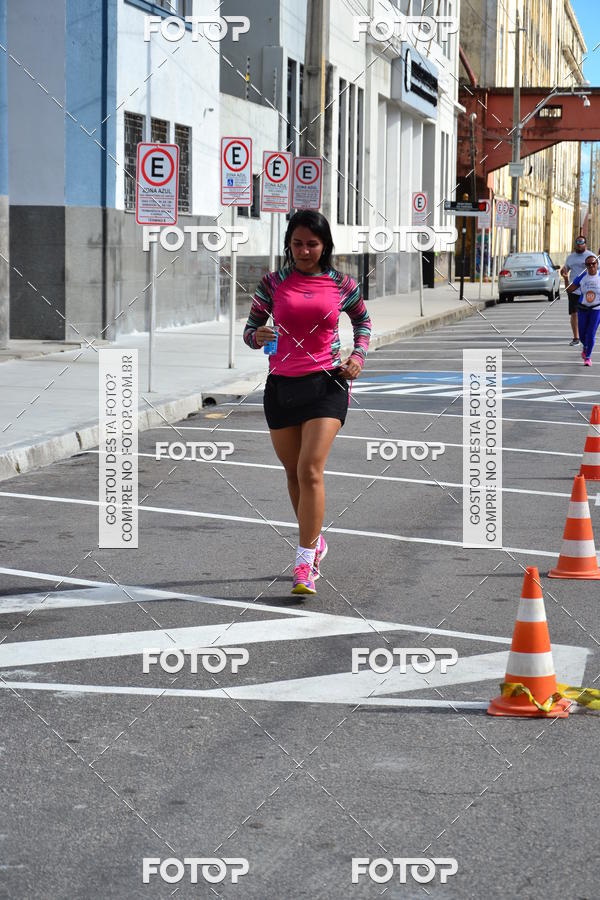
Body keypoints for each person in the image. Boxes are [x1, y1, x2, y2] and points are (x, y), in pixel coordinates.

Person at [243, 210, 372, 595]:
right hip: (282, 387)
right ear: (289, 244)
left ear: (325, 245)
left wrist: (358, 356)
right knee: (293, 473)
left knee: (310, 469)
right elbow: (250, 330)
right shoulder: (272, 283)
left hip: (327, 384)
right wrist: (257, 336)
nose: (304, 250)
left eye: (312, 244)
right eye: (297, 243)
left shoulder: (342, 284)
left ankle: (304, 563)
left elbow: (363, 322)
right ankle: (315, 539)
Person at [567, 253, 600, 366]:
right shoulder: (582, 277)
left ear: (597, 264)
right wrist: (566, 278)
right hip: (583, 308)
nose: (591, 266)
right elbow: (569, 289)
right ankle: (585, 347)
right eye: (588, 264)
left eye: (593, 264)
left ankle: (588, 357)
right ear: (585, 266)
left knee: (591, 333)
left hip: (597, 309)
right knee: (582, 335)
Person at [561, 236, 588, 345]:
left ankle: (585, 334)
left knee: (587, 314)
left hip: (587, 290)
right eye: (577, 243)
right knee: (574, 314)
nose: (579, 245)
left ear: (585, 244)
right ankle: (576, 338)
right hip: (573, 289)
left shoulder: (591, 256)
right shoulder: (570, 257)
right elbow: (566, 269)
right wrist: (563, 272)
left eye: (581, 243)